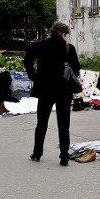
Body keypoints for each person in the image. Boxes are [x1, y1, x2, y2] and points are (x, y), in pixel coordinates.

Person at [24, 22, 81, 166]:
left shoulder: (40, 45)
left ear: (52, 32)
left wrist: (33, 75)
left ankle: (37, 152)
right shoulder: (69, 48)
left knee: (42, 122)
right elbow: (76, 69)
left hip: (45, 89)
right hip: (64, 90)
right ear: (63, 33)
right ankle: (64, 155)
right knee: (64, 124)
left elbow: (28, 59)